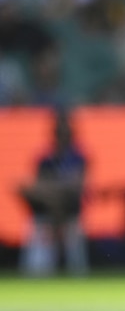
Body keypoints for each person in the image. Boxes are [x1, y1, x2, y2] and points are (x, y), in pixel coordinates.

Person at [19, 107, 88, 276]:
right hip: (47, 210)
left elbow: (75, 186)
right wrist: (57, 190)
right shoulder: (45, 159)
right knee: (30, 194)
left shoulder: (79, 158)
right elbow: (40, 187)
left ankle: (76, 272)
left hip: (70, 210)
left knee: (61, 200)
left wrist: (55, 189)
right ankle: (35, 272)